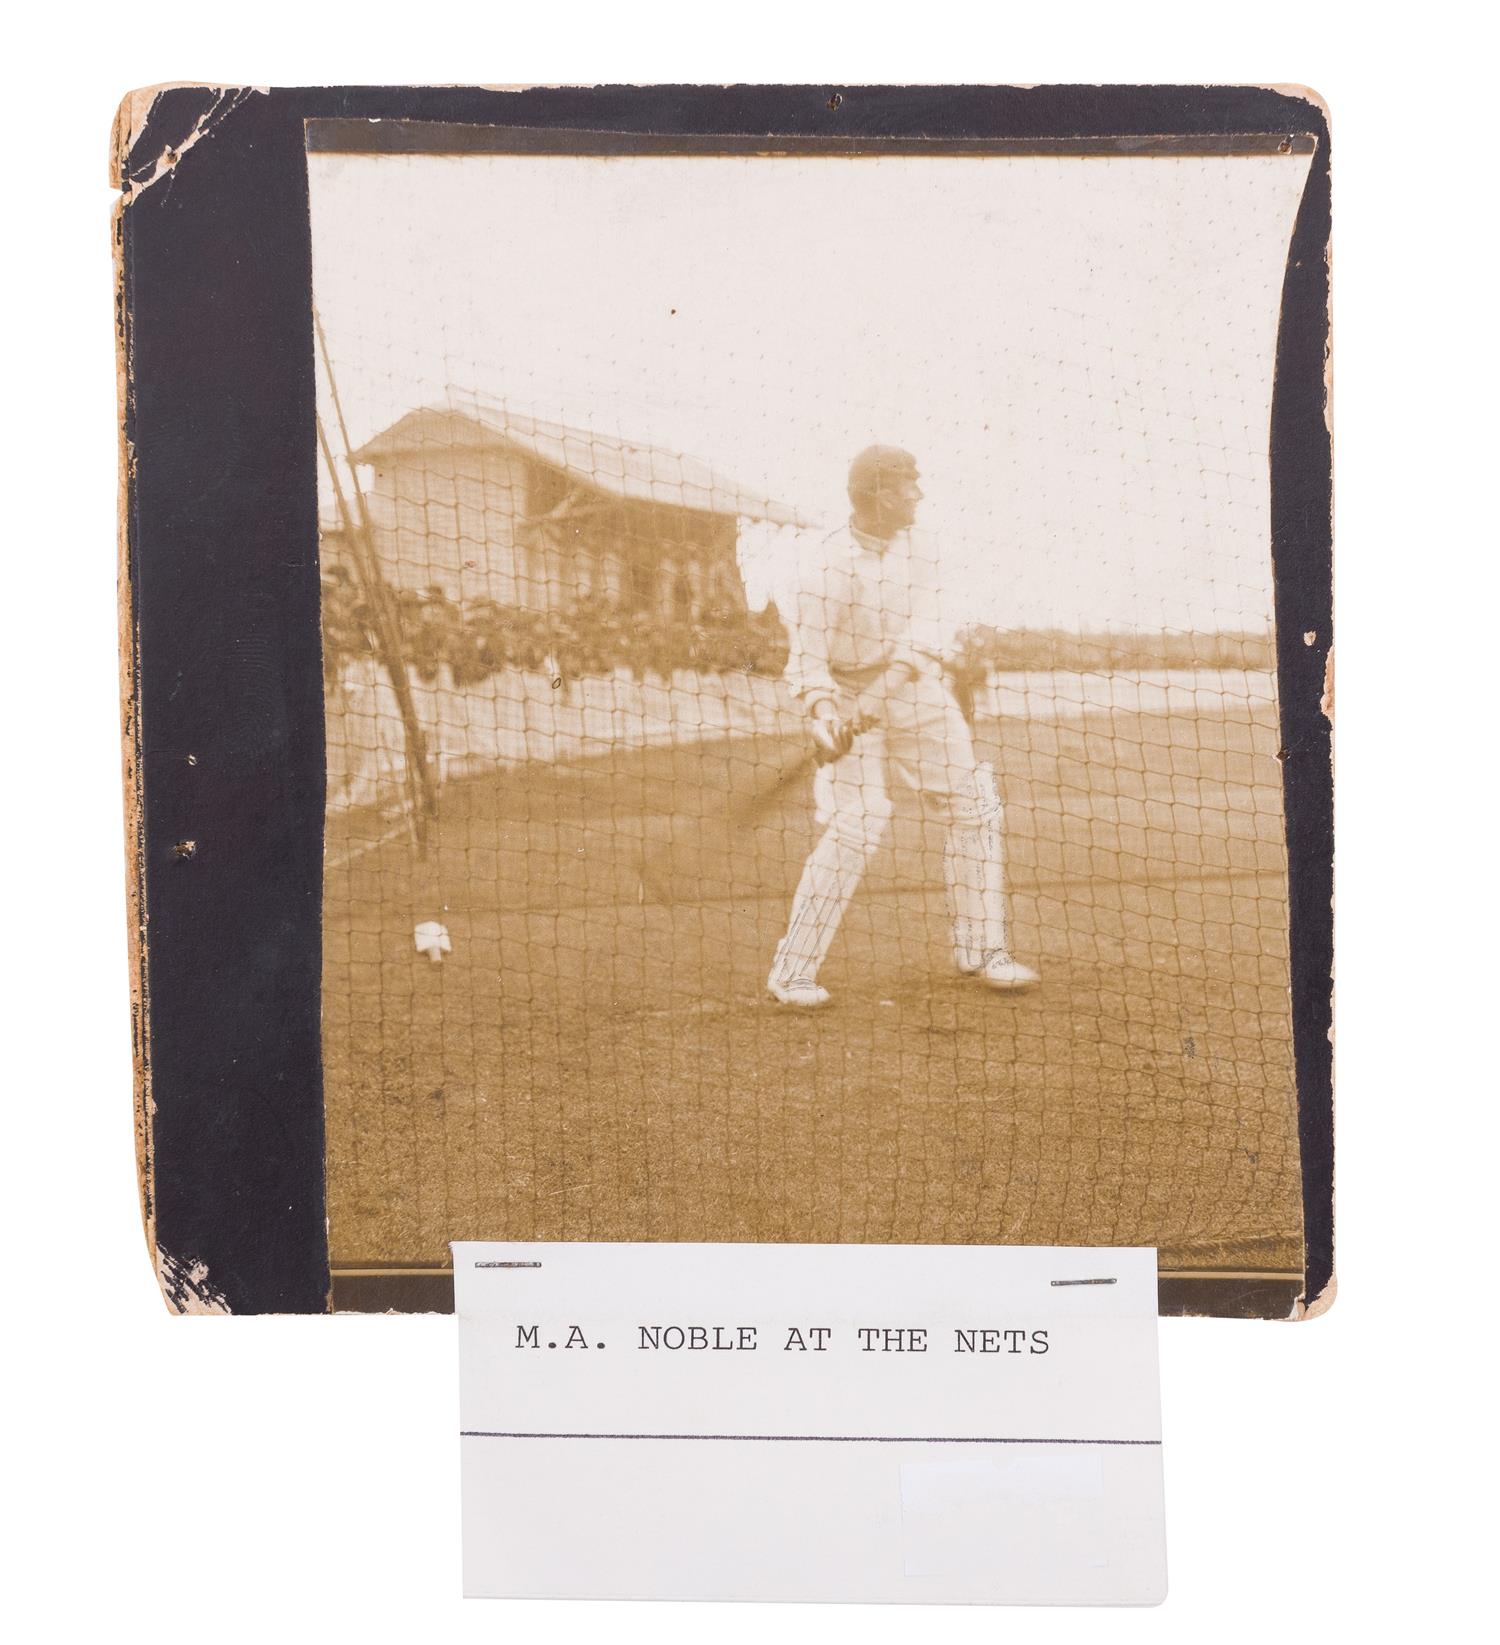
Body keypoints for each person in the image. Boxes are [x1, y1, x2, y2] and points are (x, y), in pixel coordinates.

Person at [766, 445, 1039, 1007]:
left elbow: (927, 628)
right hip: (844, 691)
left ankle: (982, 950)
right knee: (858, 822)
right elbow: (808, 660)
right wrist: (825, 715)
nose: (919, 494)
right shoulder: (819, 566)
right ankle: (792, 972)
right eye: (908, 486)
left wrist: (883, 691)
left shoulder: (924, 545)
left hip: (911, 686)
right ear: (878, 495)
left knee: (975, 803)